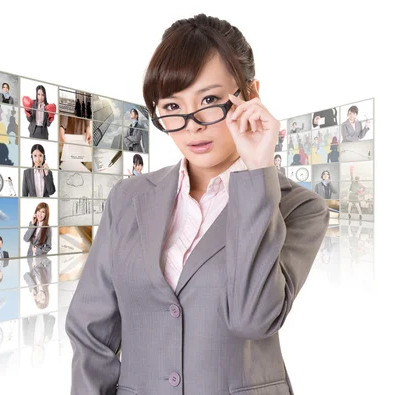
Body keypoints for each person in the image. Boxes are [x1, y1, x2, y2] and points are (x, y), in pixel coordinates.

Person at [65, 14, 329, 395]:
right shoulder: (127, 199)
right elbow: (91, 331)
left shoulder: (299, 208)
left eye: (209, 100)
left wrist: (256, 173)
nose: (192, 125)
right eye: (171, 107)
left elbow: (251, 318)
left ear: (250, 95)